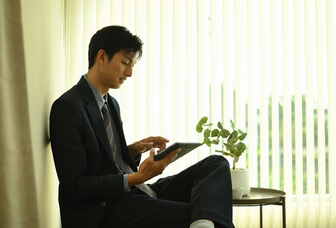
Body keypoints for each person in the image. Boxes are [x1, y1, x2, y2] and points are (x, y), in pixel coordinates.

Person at [50, 25, 234, 228]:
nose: (129, 73)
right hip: (104, 210)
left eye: (132, 65)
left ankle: (203, 224)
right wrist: (135, 178)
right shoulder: (67, 107)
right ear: (101, 57)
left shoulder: (110, 104)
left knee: (215, 164)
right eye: (125, 63)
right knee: (204, 214)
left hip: (136, 191)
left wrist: (134, 150)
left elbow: (107, 161)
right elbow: (75, 186)